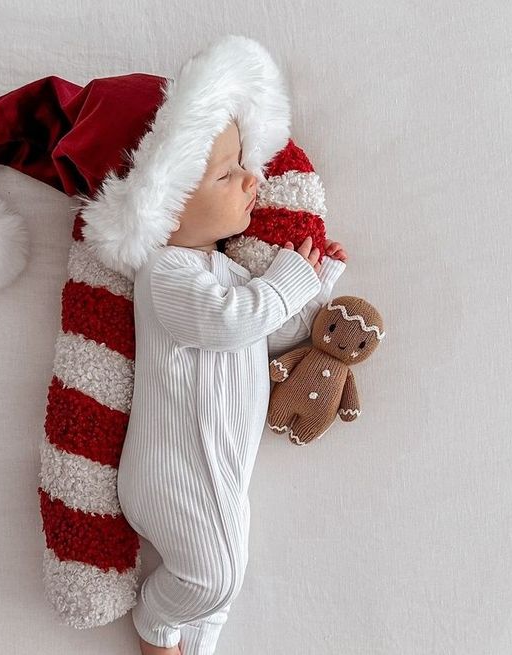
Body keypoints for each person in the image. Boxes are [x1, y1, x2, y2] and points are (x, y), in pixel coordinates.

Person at [117, 118, 348, 655]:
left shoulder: (233, 276)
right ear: (165, 204)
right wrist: (286, 282)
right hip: (173, 469)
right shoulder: (165, 273)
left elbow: (270, 335)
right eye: (227, 174)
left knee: (226, 582)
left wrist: (315, 288)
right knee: (211, 578)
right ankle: (154, 626)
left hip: (219, 468)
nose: (251, 181)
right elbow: (229, 322)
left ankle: (193, 647)